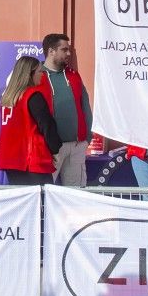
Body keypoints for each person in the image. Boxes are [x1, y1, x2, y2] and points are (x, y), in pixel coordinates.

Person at [0, 55, 59, 185]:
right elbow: (47, 125)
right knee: (42, 202)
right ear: (29, 74)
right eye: (39, 71)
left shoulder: (7, 98)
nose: (42, 75)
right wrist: (54, 148)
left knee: (22, 202)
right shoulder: (33, 96)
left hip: (10, 159)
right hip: (31, 160)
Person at [38, 33, 92, 186]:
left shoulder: (74, 76)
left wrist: (87, 138)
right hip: (50, 148)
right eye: (64, 50)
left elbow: (85, 107)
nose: (68, 53)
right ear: (51, 51)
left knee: (76, 195)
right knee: (45, 191)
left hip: (76, 146)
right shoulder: (37, 76)